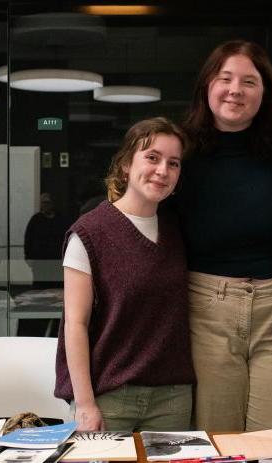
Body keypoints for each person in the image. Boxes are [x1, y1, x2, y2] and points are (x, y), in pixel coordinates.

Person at [175, 40, 272, 431]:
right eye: (225, 78)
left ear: (264, 93)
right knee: (217, 443)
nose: (236, 90)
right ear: (207, 86)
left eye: (249, 81)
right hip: (207, 309)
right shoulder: (182, 151)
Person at [54, 117, 195, 432]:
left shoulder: (177, 232)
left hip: (173, 397)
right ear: (126, 165)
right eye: (152, 157)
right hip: (109, 397)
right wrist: (86, 404)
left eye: (173, 163)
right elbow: (74, 326)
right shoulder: (88, 233)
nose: (163, 170)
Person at [24, 192, 71, 289]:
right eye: (42, 203)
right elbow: (28, 239)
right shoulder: (35, 220)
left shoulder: (61, 220)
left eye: (47, 203)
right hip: (40, 261)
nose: (44, 206)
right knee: (40, 287)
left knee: (57, 287)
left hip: (56, 260)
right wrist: (28, 256)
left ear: (52, 203)